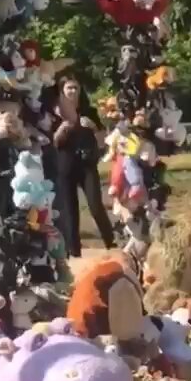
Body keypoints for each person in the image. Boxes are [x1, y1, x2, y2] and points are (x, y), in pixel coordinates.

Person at [53, 76, 117, 257]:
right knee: (70, 211)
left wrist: (94, 129)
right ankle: (74, 251)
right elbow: (54, 143)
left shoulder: (89, 111)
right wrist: (63, 128)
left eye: (75, 87)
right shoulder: (56, 113)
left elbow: (104, 140)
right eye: (69, 88)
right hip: (65, 166)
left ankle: (111, 243)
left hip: (87, 165)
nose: (72, 91)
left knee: (95, 205)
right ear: (62, 91)